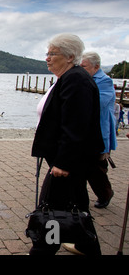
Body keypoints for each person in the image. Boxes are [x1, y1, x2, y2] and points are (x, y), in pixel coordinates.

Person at [29, 33, 103, 256]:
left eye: (52, 54)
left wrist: (63, 162)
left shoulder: (76, 79)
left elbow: (76, 125)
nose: (47, 58)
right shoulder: (68, 77)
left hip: (69, 163)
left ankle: (42, 250)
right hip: (71, 161)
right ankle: (87, 246)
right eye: (47, 53)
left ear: (70, 56)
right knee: (77, 204)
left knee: (50, 207)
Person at [80, 51, 116, 208]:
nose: (82, 69)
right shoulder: (84, 78)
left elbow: (97, 104)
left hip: (99, 131)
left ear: (96, 66)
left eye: (84, 67)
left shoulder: (105, 82)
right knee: (83, 165)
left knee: (96, 168)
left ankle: (105, 194)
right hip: (85, 130)